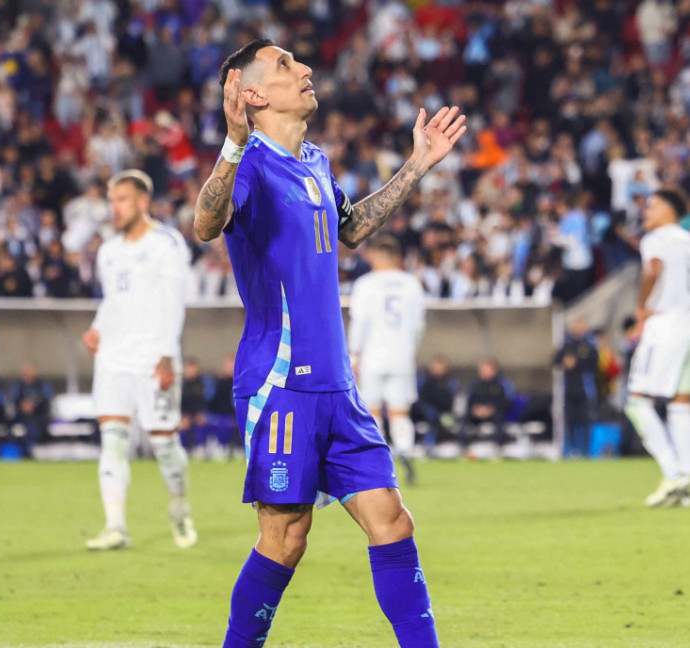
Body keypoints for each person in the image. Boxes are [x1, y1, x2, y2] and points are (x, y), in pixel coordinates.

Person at [194, 40, 464, 648]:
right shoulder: (250, 165)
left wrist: (417, 166)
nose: (306, 70)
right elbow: (206, 224)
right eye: (287, 65)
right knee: (286, 539)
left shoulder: (312, 159)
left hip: (338, 387)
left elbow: (350, 228)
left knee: (392, 523)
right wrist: (233, 142)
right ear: (252, 92)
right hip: (281, 381)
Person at [83, 169, 196, 551]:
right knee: (112, 442)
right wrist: (98, 326)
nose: (114, 208)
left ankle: (179, 509)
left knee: (164, 445)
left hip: (153, 357)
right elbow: (114, 300)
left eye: (122, 200)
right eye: (111, 200)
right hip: (113, 358)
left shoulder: (167, 243)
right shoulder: (108, 251)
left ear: (143, 202)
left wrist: (166, 356)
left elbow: (174, 302)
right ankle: (115, 526)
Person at [625, 189, 690, 508]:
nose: (646, 213)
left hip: (665, 326)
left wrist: (641, 308)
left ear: (670, 210)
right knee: (682, 403)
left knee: (637, 402)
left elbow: (653, 269)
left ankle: (672, 475)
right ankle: (684, 482)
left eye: (652, 206)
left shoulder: (656, 238)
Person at [349, 235, 426, 486]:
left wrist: (353, 354)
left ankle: (378, 464)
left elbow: (360, 322)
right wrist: (411, 351)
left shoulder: (366, 284)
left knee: (371, 410)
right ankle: (404, 451)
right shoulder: (412, 284)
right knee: (399, 411)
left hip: (372, 355)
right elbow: (418, 325)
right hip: (402, 355)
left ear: (377, 256)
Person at [556, 318, 598, 457]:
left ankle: (586, 450)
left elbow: (593, 361)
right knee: (569, 420)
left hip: (585, 391)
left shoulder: (590, 344)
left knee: (586, 420)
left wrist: (576, 363)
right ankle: (571, 450)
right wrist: (564, 362)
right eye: (576, 326)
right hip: (568, 390)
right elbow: (555, 359)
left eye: (581, 326)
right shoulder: (567, 344)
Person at [8, 363, 54, 458]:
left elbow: (47, 399)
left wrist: (34, 405)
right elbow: (12, 399)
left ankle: (34, 451)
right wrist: (22, 405)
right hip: (21, 416)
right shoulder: (18, 385)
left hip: (38, 416)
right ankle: (24, 452)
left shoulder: (42, 385)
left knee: (37, 426)